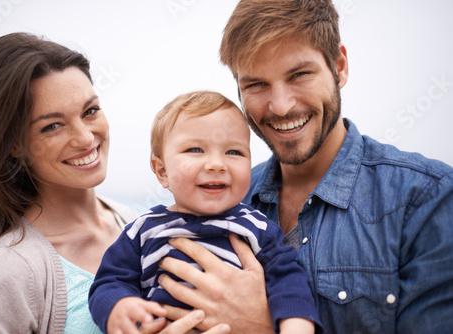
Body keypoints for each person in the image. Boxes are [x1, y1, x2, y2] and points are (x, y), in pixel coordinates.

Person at [150, 0, 453, 333]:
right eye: (256, 84)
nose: (281, 107)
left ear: (339, 67)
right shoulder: (219, 197)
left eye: (299, 75)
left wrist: (262, 328)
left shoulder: (427, 198)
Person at [0, 33, 225, 334]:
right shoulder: (6, 272)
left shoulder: (134, 223)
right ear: (14, 145)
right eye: (52, 126)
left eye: (90, 110)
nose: (85, 138)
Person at [89, 91, 321, 334]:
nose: (216, 164)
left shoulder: (258, 228)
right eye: (196, 150)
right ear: (162, 171)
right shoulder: (144, 229)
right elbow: (110, 281)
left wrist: (296, 325)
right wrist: (118, 307)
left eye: (234, 152)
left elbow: (289, 281)